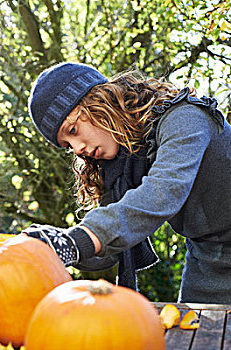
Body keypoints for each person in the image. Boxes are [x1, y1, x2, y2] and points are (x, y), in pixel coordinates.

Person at [23, 62, 231, 304]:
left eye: (73, 130)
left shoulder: (184, 117)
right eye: (67, 145)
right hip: (207, 261)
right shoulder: (121, 166)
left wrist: (75, 241)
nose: (78, 148)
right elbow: (110, 244)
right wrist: (56, 248)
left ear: (100, 101)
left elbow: (162, 193)